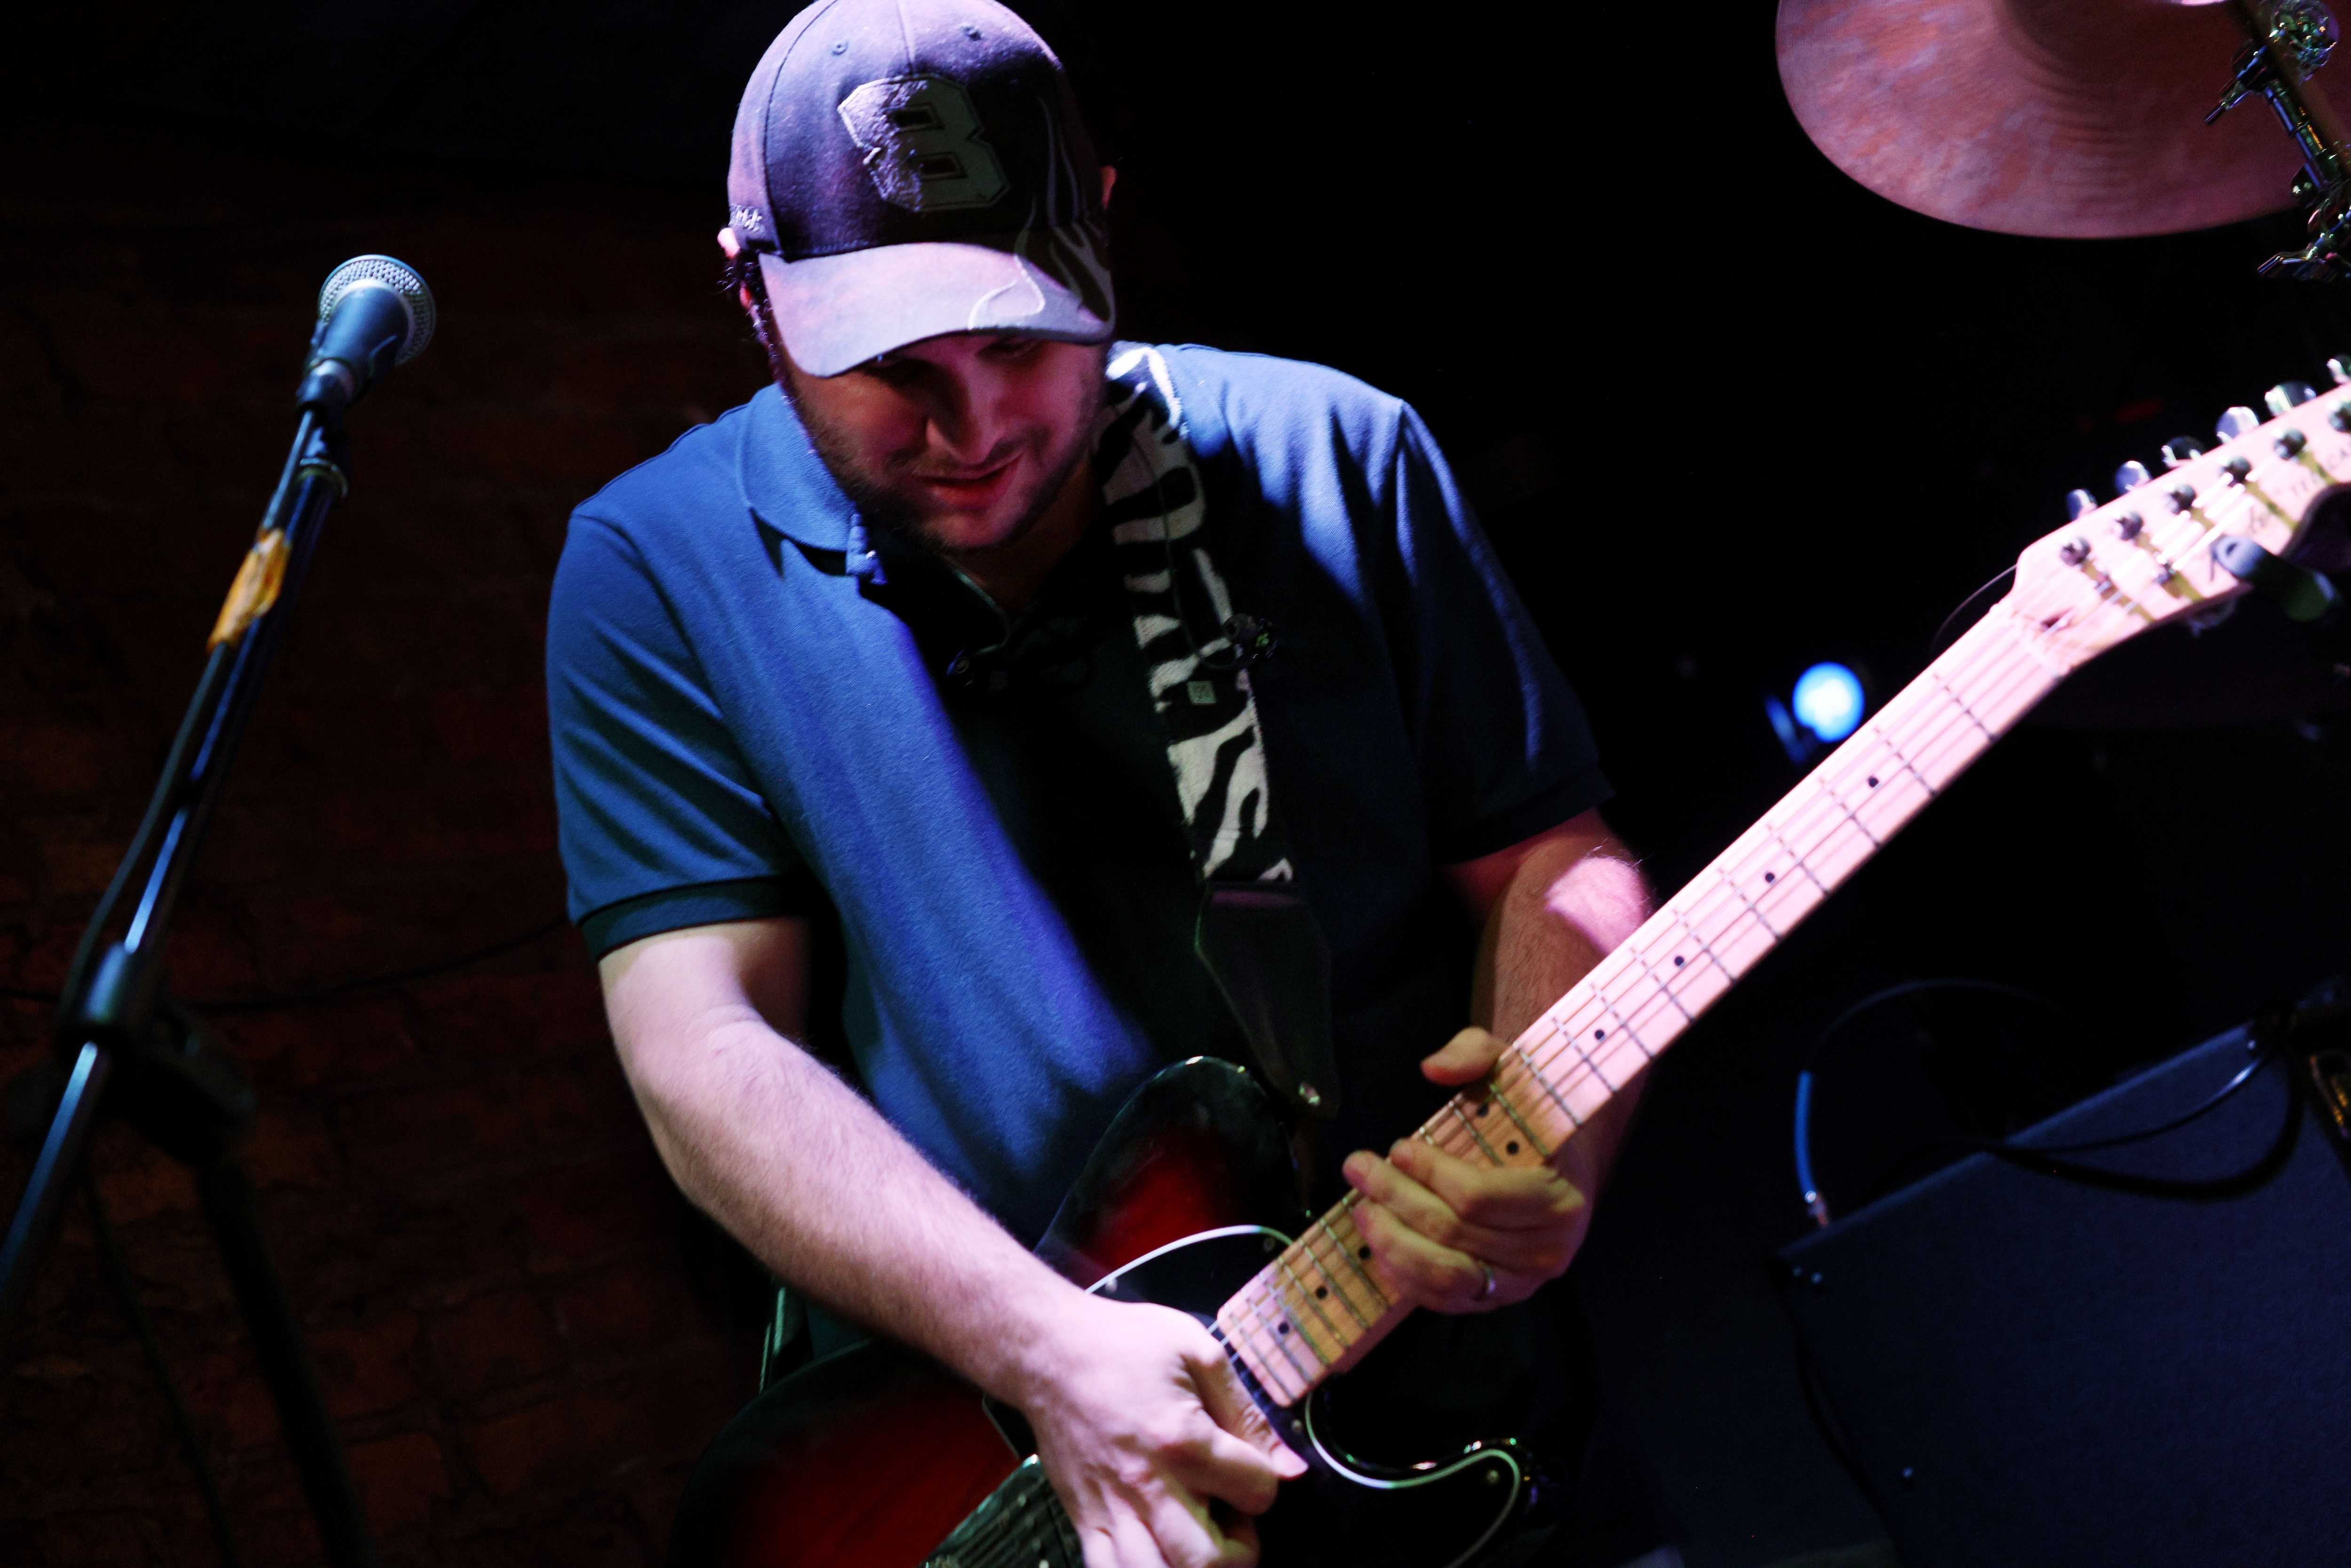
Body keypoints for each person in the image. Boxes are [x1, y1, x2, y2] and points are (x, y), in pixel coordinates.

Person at [545, 1, 1657, 1563]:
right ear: (755, 297)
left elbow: (1553, 856)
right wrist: (1046, 1353)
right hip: (1018, 1457)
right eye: (891, 365)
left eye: (1020, 336)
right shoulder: (653, 570)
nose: (978, 423)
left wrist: (1556, 1142)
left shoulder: (1337, 449)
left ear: (1104, 234)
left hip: (1446, 1397)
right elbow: (698, 1043)